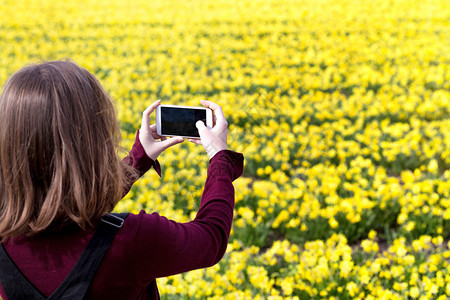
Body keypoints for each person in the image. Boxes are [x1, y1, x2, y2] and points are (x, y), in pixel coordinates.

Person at [0, 60, 244, 299]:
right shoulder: (132, 240)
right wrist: (219, 157)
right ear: (95, 140)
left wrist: (138, 159)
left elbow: (66, 203)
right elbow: (210, 239)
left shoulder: (5, 236)